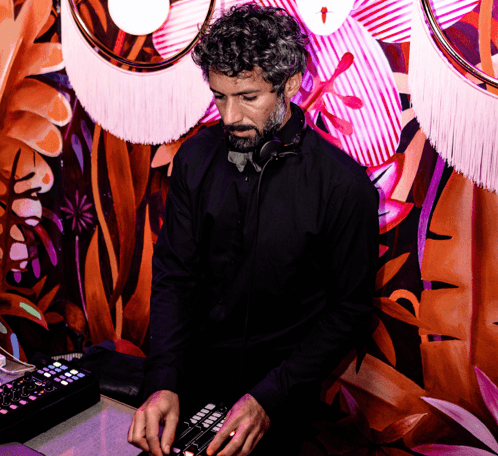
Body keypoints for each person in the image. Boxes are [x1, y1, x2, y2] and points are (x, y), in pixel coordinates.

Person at [128, 4, 379, 456]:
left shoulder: (342, 186)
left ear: (290, 84)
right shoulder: (195, 159)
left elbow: (350, 310)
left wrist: (270, 398)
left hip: (279, 402)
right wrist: (163, 378)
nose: (230, 116)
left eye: (247, 97)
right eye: (219, 97)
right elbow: (174, 275)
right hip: (188, 384)